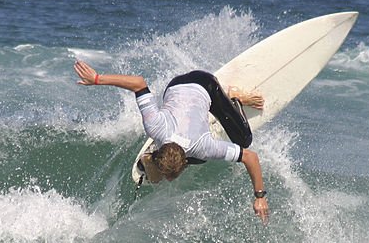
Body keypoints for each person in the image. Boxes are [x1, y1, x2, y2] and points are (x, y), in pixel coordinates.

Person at [73, 60, 270, 223]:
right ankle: (149, 157)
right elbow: (138, 83)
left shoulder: (201, 147)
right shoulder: (156, 127)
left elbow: (250, 156)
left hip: (205, 85)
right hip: (177, 85)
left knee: (245, 140)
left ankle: (234, 98)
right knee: (201, 158)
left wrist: (260, 197)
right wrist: (97, 79)